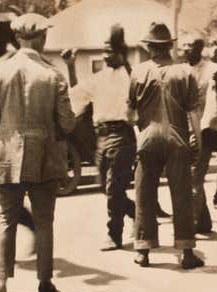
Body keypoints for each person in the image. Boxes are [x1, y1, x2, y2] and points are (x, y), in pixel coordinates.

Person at [0, 13, 75, 292]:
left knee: (5, 218)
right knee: (44, 220)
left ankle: (0, 283)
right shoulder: (54, 74)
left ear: (18, 38)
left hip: (6, 155)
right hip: (45, 155)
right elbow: (68, 123)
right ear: (42, 38)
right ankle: (44, 281)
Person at [128, 22, 203, 269]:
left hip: (148, 136)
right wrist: (198, 142)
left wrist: (139, 136)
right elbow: (193, 113)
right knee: (181, 194)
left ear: (150, 48)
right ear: (169, 47)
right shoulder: (185, 72)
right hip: (177, 137)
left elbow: (129, 114)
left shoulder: (138, 72)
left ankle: (143, 250)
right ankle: (186, 251)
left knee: (144, 193)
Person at [68, 25, 137, 251]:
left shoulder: (130, 75)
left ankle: (114, 235)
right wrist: (70, 66)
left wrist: (120, 45)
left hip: (122, 136)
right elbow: (76, 93)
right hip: (101, 138)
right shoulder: (99, 78)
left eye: (111, 51)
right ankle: (139, 213)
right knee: (105, 188)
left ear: (121, 52)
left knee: (112, 188)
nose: (106, 55)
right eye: (104, 51)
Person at [181, 34, 217, 233]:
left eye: (189, 46)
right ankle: (204, 221)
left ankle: (191, 224)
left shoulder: (213, 70)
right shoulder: (180, 70)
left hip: (204, 132)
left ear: (199, 49)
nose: (184, 49)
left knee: (194, 177)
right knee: (191, 178)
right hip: (184, 131)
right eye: (183, 46)